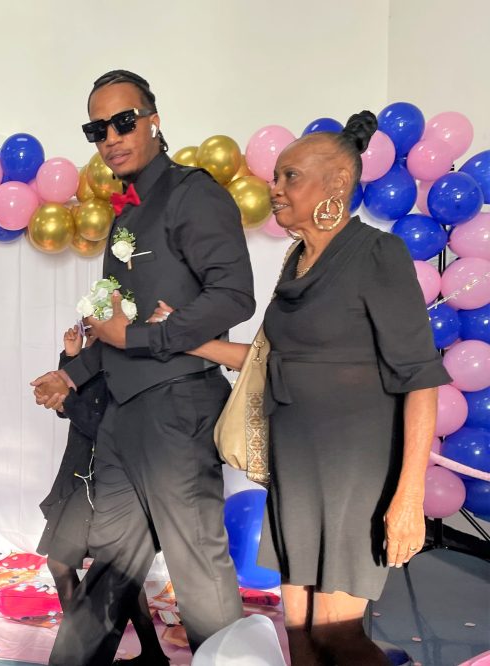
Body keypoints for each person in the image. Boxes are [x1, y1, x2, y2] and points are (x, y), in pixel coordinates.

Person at [150, 112, 450, 665]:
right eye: (277, 177)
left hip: (352, 477)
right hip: (295, 472)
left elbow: (421, 379)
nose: (275, 187)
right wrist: (182, 337)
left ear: (336, 184)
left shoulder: (376, 255)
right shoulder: (294, 261)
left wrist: (408, 498)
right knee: (301, 634)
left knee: (339, 637)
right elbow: (267, 360)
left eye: (290, 177)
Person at [32, 70, 255, 665]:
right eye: (96, 128)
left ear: (153, 119)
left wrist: (143, 334)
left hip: (178, 408)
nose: (110, 136)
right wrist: (72, 376)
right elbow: (112, 331)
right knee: (110, 561)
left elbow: (234, 296)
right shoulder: (124, 219)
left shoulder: (193, 193)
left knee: (196, 565)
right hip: (121, 415)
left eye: (123, 121)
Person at [37, 325, 168, 664]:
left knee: (118, 573)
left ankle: (91, 650)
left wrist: (68, 394)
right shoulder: (93, 363)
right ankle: (97, 648)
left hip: (108, 481)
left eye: (96, 328)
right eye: (89, 328)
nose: (91, 333)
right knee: (76, 566)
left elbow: (101, 426)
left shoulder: (128, 370)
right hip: (81, 477)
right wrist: (70, 357)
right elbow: (67, 408)